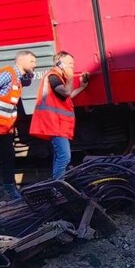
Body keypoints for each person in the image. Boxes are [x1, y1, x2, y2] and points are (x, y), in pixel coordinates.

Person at [0, 50, 36, 200]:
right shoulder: (8, 74)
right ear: (21, 61)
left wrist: (30, 74)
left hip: (5, 128)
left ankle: (9, 187)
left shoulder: (18, 79)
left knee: (8, 157)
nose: (35, 65)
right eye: (32, 61)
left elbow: (26, 82)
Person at [30, 51, 89, 180]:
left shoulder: (58, 78)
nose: (72, 66)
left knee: (59, 156)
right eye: (69, 64)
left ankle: (57, 186)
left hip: (58, 124)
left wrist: (82, 87)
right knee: (64, 156)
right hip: (54, 124)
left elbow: (66, 98)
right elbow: (66, 92)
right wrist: (70, 77)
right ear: (60, 63)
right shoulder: (53, 77)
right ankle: (57, 187)